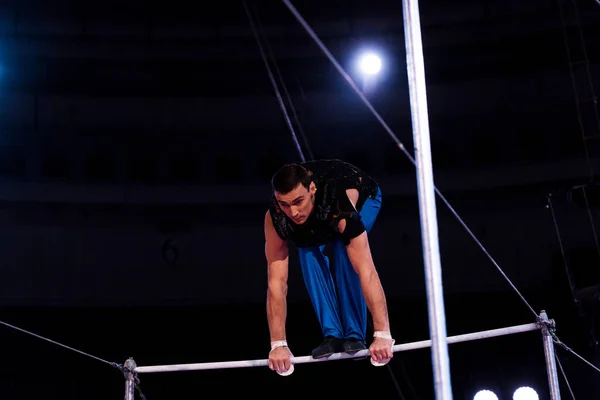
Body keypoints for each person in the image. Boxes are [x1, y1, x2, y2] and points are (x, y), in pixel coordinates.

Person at [263, 159, 394, 375]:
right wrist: (278, 345)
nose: (293, 212)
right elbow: (276, 283)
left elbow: (366, 270)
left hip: (364, 198)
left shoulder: (339, 204)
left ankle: (354, 334)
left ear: (312, 189)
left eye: (298, 201)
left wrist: (382, 334)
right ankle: (332, 334)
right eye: (284, 204)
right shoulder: (275, 217)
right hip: (322, 219)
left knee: (344, 250)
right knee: (306, 249)